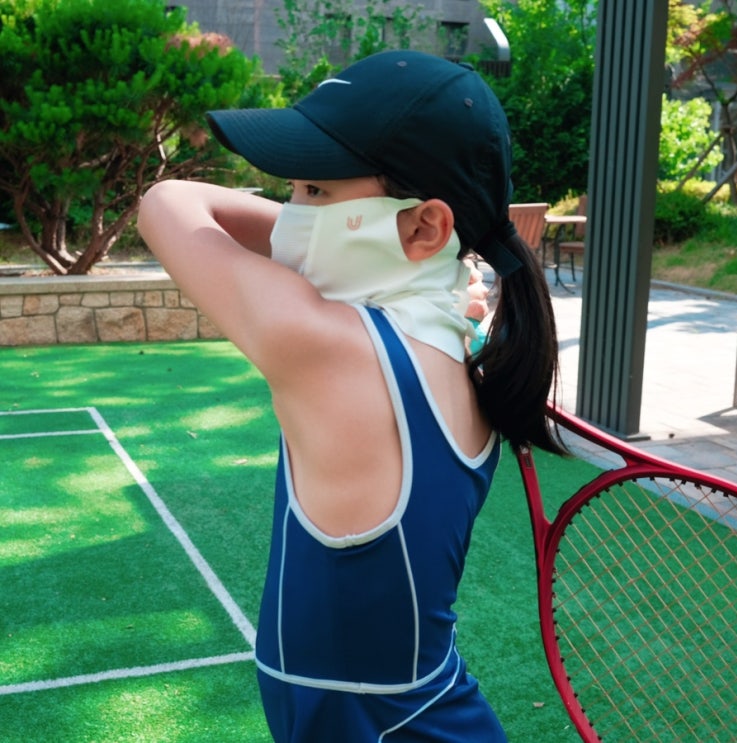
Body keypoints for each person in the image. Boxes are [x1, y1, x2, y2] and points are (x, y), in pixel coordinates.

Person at [138, 49, 564, 743]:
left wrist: (333, 232)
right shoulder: (456, 337)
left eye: (314, 191)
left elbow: (168, 203)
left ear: (424, 227)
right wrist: (367, 235)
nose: (290, 213)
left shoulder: (328, 347)